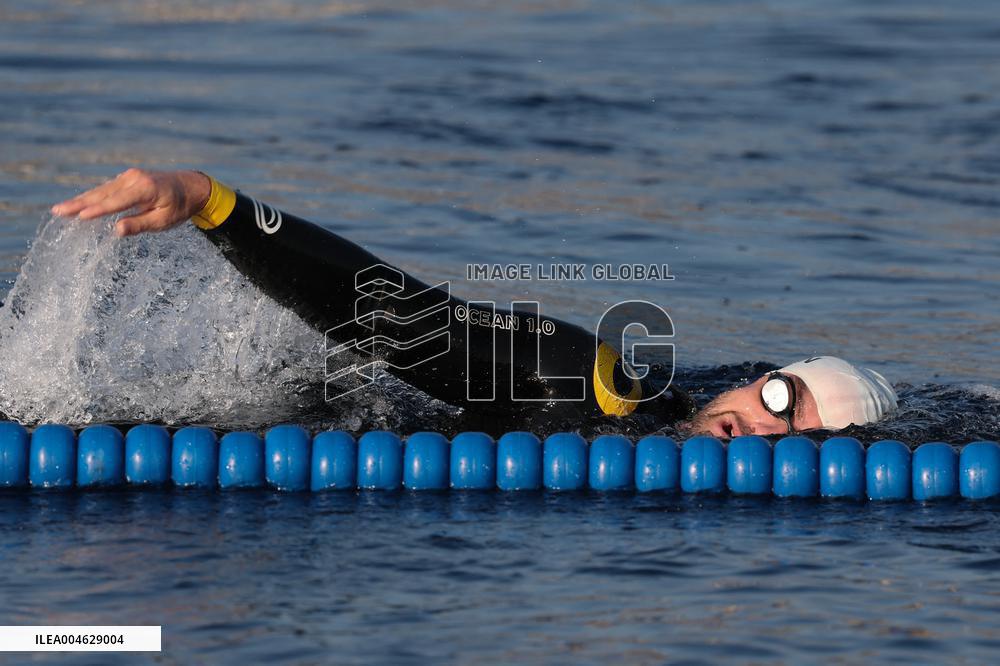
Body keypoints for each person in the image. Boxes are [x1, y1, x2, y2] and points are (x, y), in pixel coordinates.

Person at [51, 169, 898, 436]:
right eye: (782, 395)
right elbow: (399, 318)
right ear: (752, 380)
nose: (769, 423)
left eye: (803, 438)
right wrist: (210, 200)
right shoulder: (598, 384)